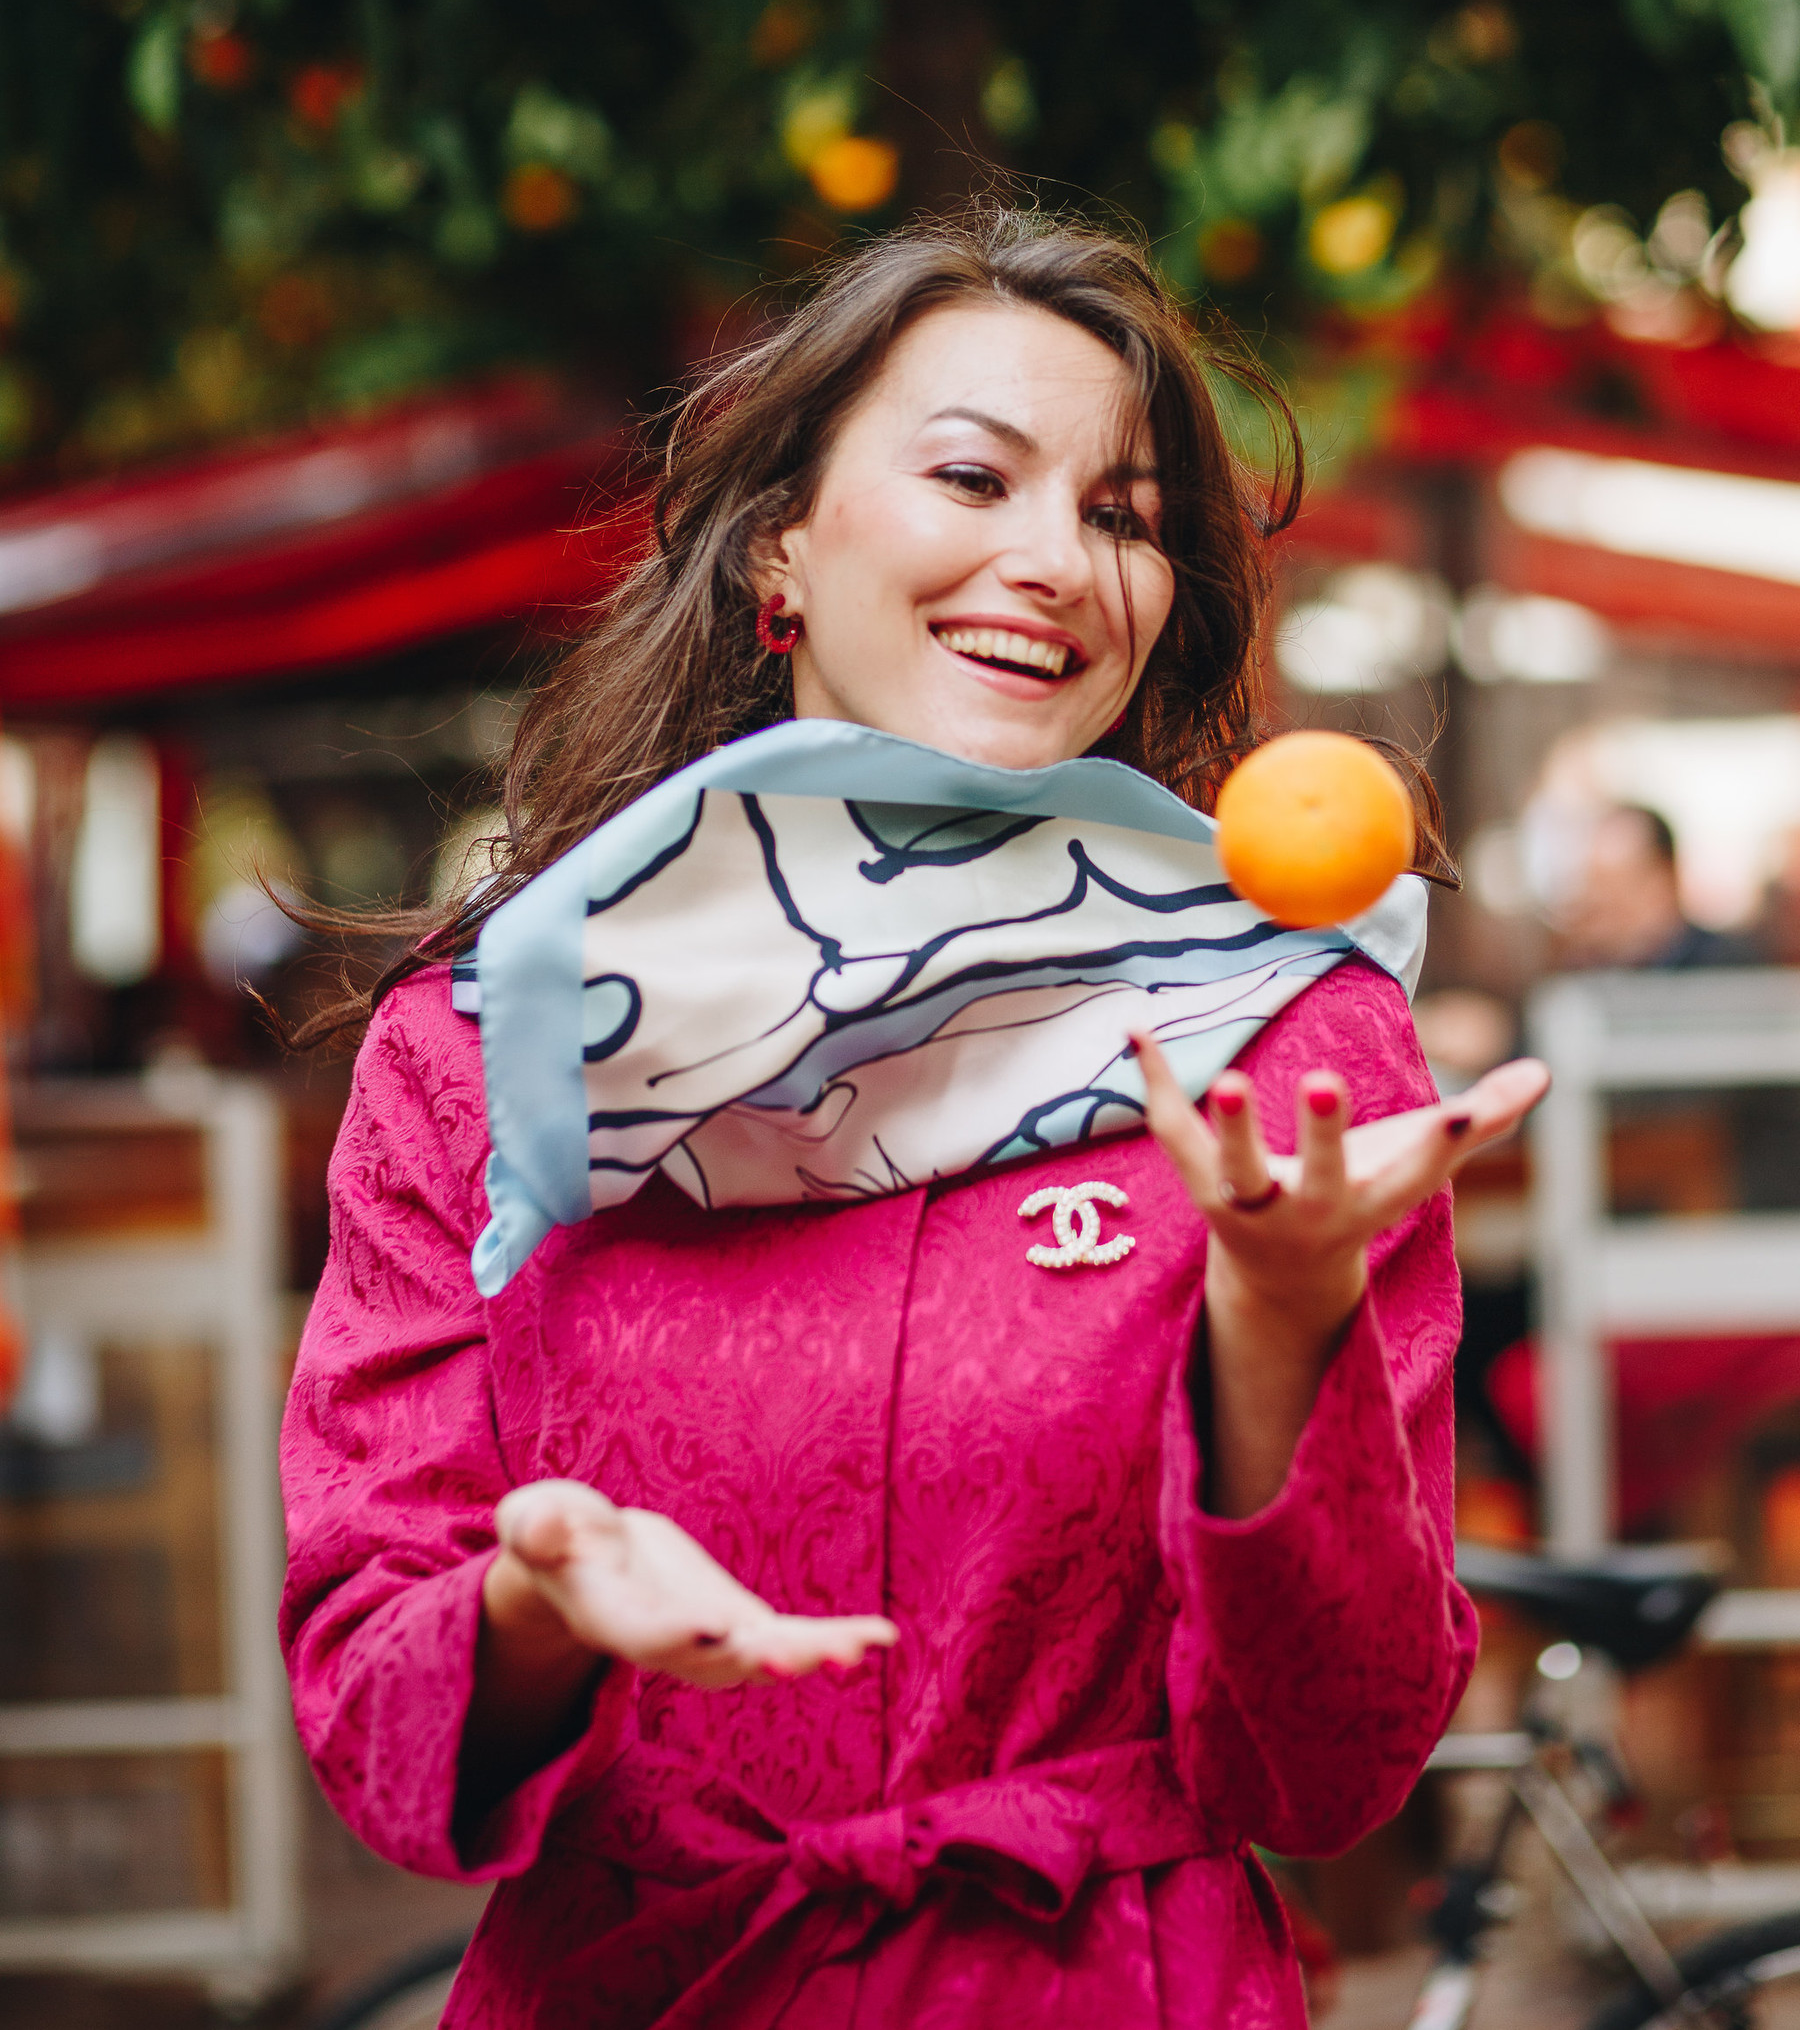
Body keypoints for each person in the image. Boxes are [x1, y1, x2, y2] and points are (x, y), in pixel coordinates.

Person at [279, 211, 1546, 2030]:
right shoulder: (500, 1047)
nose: (1055, 562)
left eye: (1123, 516)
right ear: (781, 541)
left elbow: (1332, 1773)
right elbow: (367, 1719)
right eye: (974, 475)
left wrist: (1280, 1327)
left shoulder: (1286, 1040)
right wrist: (531, 1619)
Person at [1559, 803, 1755, 972]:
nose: (1599, 900)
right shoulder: (1585, 971)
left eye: (1614, 886)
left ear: (1663, 878)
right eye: (1593, 884)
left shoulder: (1725, 966)